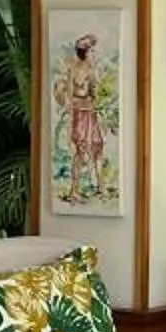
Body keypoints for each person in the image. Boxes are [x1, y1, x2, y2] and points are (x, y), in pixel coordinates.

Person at [56, 33, 110, 204]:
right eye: (91, 49)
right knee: (81, 152)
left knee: (98, 147)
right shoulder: (74, 69)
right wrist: (73, 111)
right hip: (79, 113)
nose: (93, 52)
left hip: (90, 112)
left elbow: (94, 91)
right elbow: (70, 95)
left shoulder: (91, 68)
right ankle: (74, 190)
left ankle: (101, 185)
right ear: (85, 51)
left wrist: (96, 100)